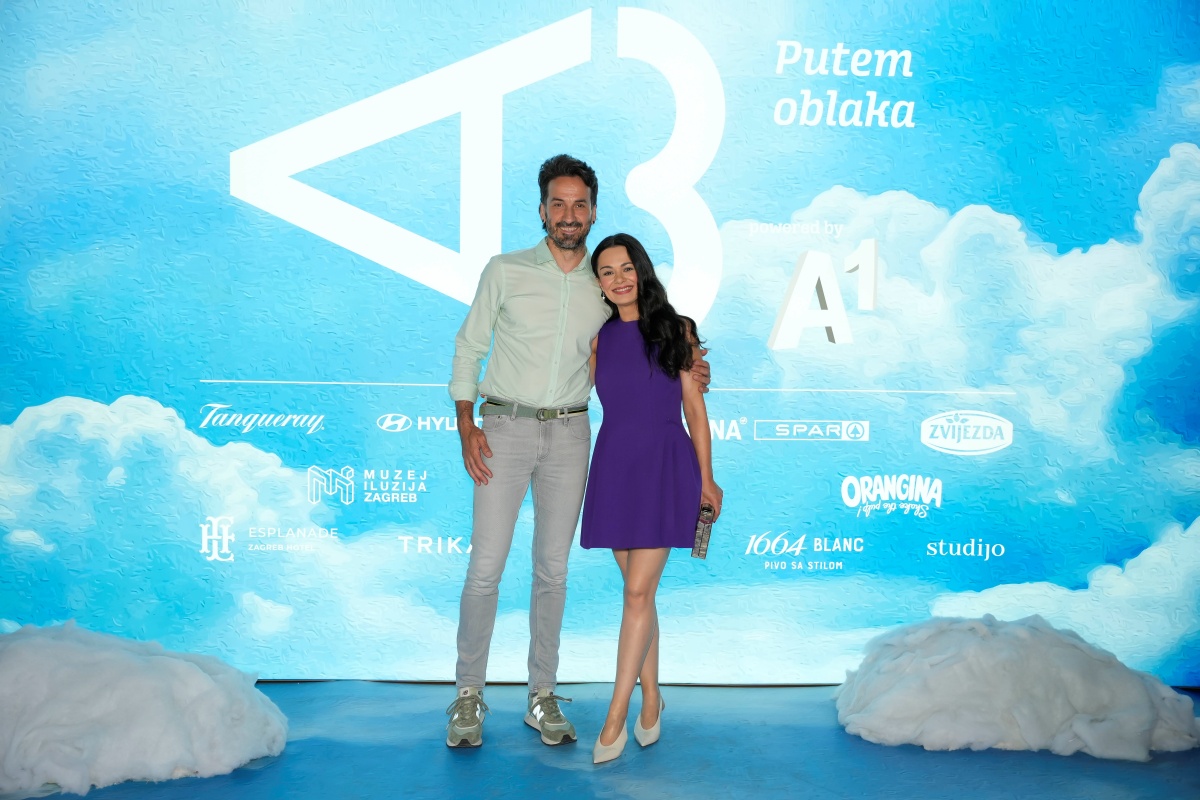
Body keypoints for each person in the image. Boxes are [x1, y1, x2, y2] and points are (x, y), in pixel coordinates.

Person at [445, 156, 710, 749]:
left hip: (571, 434)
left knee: (553, 570)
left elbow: (650, 347)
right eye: (558, 204)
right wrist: (466, 422)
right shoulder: (506, 270)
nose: (569, 214)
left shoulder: (603, 286)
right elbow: (469, 348)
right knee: (485, 569)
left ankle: (542, 695)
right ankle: (468, 695)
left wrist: (692, 366)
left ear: (592, 212)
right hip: (504, 427)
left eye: (580, 204)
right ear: (542, 210)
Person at [580, 233, 723, 764]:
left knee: (638, 593)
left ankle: (615, 715)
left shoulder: (676, 330)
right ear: (598, 283)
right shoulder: (597, 340)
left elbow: (695, 411)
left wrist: (707, 479)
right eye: (606, 271)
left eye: (625, 268)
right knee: (638, 595)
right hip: (615, 467)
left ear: (641, 271)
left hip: (664, 467)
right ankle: (652, 696)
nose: (618, 279)